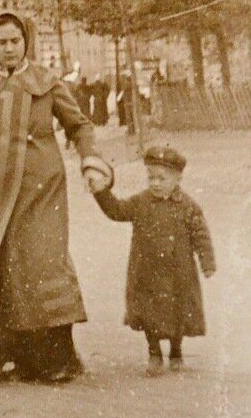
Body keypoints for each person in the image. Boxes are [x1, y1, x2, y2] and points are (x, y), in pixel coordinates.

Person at [0, 10, 112, 383]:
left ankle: (51, 362)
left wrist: (90, 160)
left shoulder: (47, 82)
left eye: (15, 41)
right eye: (1, 42)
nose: (9, 49)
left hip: (39, 193)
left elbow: (79, 125)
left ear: (26, 41)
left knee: (41, 265)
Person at [88, 144, 216, 375]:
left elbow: (201, 235)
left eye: (162, 178)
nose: (155, 183)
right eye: (151, 178)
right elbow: (117, 211)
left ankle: (176, 352)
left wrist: (207, 262)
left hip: (179, 273)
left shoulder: (188, 207)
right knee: (149, 314)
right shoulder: (141, 202)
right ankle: (154, 353)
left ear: (178, 178)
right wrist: (101, 192)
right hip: (146, 272)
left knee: (178, 312)